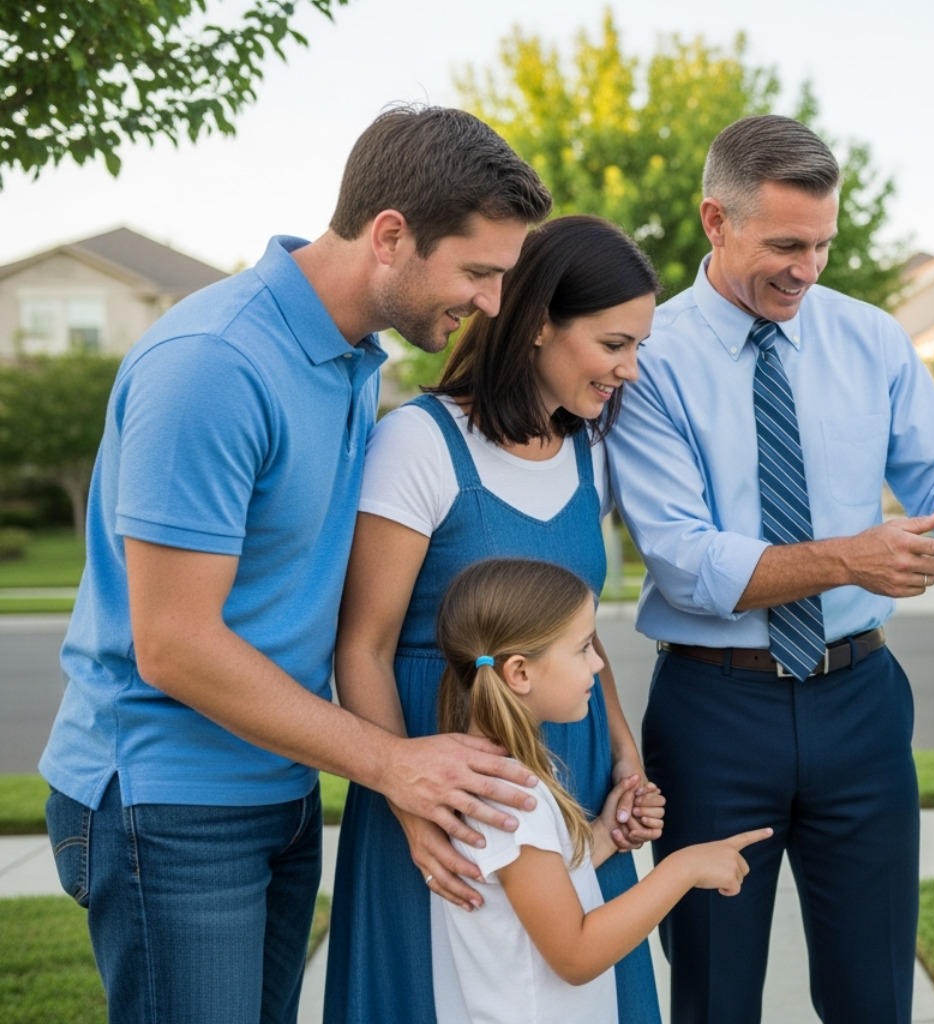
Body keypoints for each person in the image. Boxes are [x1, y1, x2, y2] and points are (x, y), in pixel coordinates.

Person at [37, 104, 555, 1023]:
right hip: (169, 801)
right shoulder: (216, 363)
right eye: (478, 271)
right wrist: (395, 766)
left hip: (276, 781)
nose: (491, 303)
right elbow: (174, 645)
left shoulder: (354, 361)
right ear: (391, 235)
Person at [606, 113, 934, 1023]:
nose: (807, 269)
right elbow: (685, 561)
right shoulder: (648, 357)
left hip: (862, 706)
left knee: (872, 996)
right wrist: (852, 558)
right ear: (714, 222)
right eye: (785, 244)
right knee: (715, 997)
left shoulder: (870, 338)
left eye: (822, 245)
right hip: (714, 716)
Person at [325, 215, 665, 1023]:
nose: (631, 370)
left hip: (570, 773)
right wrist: (412, 803)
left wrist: (622, 751)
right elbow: (362, 648)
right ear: (540, 320)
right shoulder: (418, 444)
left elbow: (576, 631)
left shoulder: (590, 453)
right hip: (441, 780)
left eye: (638, 348)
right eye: (615, 344)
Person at [429, 557, 772, 1024]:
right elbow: (575, 954)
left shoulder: (500, 775)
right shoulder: (507, 798)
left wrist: (607, 834)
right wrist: (684, 868)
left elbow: (536, 888)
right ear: (519, 673)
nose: (597, 663)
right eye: (583, 648)